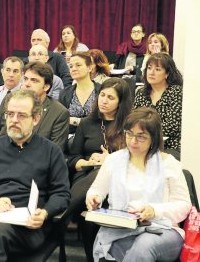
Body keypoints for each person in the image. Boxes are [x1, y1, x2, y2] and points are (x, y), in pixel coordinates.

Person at [0, 89, 71, 262]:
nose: (13, 120)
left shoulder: (51, 151)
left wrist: (44, 213)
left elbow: (62, 194)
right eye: (10, 114)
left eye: (21, 115)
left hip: (29, 227)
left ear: (35, 119)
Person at [86, 107, 191, 262]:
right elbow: (96, 190)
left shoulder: (169, 164)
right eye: (129, 134)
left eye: (141, 137)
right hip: (122, 227)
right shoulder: (114, 160)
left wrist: (154, 210)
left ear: (153, 138)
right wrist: (94, 198)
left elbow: (184, 205)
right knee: (118, 247)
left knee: (144, 245)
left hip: (163, 229)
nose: (133, 141)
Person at [66, 78, 132, 260]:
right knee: (91, 216)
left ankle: (65, 210)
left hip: (117, 181)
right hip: (86, 176)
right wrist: (88, 162)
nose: (103, 100)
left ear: (121, 102)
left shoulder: (130, 126)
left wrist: (109, 160)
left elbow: (136, 160)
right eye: (101, 95)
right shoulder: (87, 123)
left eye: (110, 97)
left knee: (102, 175)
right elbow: (73, 159)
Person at [0, 61, 69, 152]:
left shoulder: (59, 112)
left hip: (34, 160)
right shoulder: (11, 100)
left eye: (34, 80)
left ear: (46, 87)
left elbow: (55, 151)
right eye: (25, 79)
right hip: (1, 153)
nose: (27, 84)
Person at [133, 52, 183, 151]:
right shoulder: (141, 93)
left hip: (169, 146)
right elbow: (133, 120)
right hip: (142, 144)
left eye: (157, 69)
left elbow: (172, 126)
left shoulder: (176, 92)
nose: (151, 72)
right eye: (149, 68)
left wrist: (143, 133)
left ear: (167, 74)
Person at [59, 52, 101, 134]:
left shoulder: (102, 90)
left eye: (78, 65)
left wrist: (75, 121)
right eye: (71, 66)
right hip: (70, 136)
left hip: (96, 134)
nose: (73, 69)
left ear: (89, 68)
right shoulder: (64, 93)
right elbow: (61, 120)